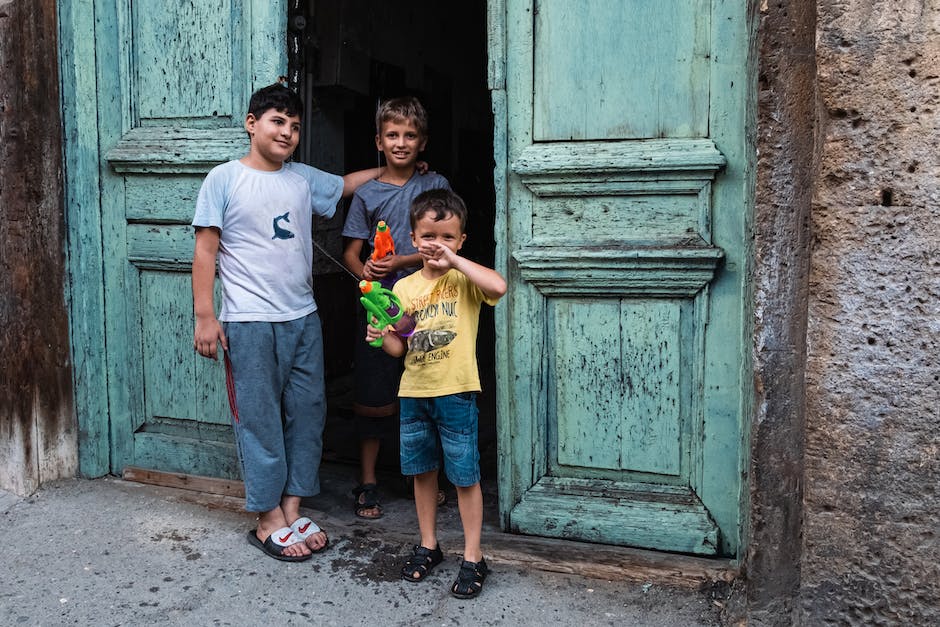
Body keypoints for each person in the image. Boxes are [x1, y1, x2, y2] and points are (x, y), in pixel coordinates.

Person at [191, 82, 388, 562]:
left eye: (295, 126)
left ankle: (293, 505)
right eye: (278, 122)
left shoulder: (300, 178)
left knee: (307, 412)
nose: (288, 133)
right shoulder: (224, 178)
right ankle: (266, 517)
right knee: (259, 418)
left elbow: (342, 186)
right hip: (249, 321)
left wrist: (394, 169)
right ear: (251, 123)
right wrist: (205, 316)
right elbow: (205, 250)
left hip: (302, 318)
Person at [365, 188, 506, 599]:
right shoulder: (404, 287)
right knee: (423, 472)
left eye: (447, 237)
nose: (437, 244)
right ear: (413, 237)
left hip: (457, 392)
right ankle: (429, 544)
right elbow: (399, 345)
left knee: (465, 476)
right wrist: (381, 335)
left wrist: (455, 261)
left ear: (461, 241)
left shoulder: (465, 279)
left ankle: (474, 556)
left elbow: (498, 286)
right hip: (414, 392)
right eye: (429, 236)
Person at [341, 96, 451, 519]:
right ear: (378, 141)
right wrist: (367, 278)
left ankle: (418, 475)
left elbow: (445, 240)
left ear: (422, 143)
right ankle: (367, 480)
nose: (401, 143)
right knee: (374, 387)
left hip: (427, 301)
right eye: (392, 135)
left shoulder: (434, 185)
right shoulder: (367, 194)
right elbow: (351, 252)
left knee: (422, 385)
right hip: (379, 304)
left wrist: (404, 262)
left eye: (409, 135)